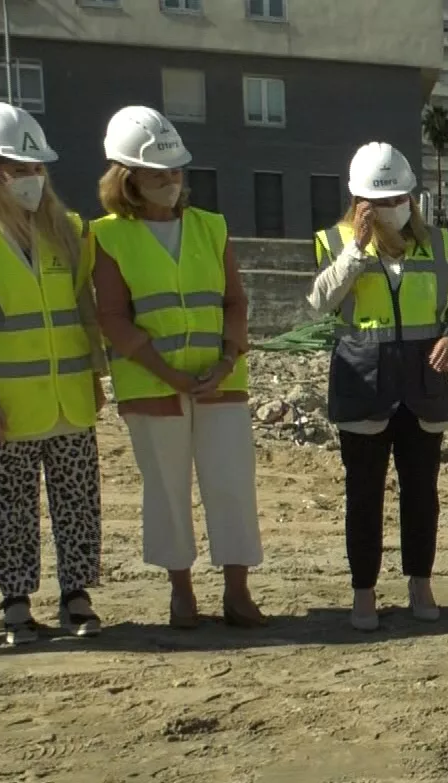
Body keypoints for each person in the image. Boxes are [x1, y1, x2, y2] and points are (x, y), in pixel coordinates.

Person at [0, 103, 105, 645]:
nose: (31, 179)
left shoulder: (66, 228)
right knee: (12, 505)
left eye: (36, 169)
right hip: (7, 402)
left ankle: (77, 595)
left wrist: (96, 374)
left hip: (69, 396)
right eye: (18, 169)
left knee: (78, 500)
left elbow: (83, 308)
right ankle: (16, 602)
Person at [89, 105, 265, 629]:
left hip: (220, 379)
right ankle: (181, 593)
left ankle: (237, 592)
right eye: (156, 174)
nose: (170, 182)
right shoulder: (108, 236)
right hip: (152, 385)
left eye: (174, 172)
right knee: (166, 489)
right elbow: (112, 318)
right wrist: (169, 375)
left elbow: (235, 301)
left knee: (232, 483)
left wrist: (228, 358)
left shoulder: (211, 228)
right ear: (128, 178)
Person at [309, 143, 448, 631]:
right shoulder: (335, 242)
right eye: (384, 201)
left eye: (403, 196)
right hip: (365, 382)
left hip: (422, 385)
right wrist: (356, 250)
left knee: (422, 492)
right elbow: (320, 302)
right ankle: (364, 592)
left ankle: (420, 581)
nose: (396, 206)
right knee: (364, 493)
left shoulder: (435, 243)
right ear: (360, 203)